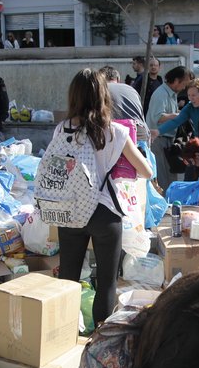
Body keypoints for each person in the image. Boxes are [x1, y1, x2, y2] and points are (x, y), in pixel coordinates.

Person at [56, 69, 153, 327]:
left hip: (70, 211)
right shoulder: (114, 132)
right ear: (103, 96)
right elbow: (147, 171)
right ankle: (100, 338)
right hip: (104, 211)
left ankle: (63, 333)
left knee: (68, 278)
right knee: (107, 281)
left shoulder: (62, 129)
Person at [145, 65, 188, 189]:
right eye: (183, 83)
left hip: (168, 139)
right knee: (163, 178)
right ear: (176, 81)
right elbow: (158, 117)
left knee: (170, 176)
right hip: (159, 140)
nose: (184, 87)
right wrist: (179, 115)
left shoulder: (171, 94)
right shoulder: (161, 94)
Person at [100, 65, 148, 143]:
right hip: (140, 133)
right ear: (118, 79)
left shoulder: (100, 90)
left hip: (117, 136)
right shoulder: (131, 89)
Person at [155, 78, 199, 143]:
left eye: (193, 95)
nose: (191, 98)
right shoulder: (189, 107)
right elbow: (176, 121)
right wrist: (158, 131)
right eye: (189, 95)